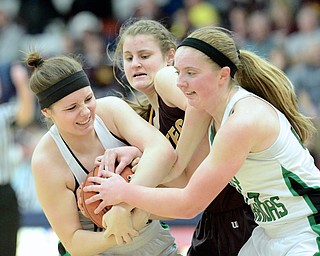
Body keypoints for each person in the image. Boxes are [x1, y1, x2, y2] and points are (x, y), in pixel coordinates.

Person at [84, 25, 320, 255]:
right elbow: (176, 168)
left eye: (191, 73)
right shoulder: (200, 109)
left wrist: (124, 193)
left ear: (223, 75)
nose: (180, 82)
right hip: (269, 232)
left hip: (307, 228)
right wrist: (138, 155)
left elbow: (189, 204)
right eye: (179, 72)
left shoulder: (242, 122)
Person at [106, 18, 256, 255]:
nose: (135, 64)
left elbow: (200, 106)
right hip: (212, 214)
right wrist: (126, 210)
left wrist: (176, 163)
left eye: (144, 56)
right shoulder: (148, 122)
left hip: (244, 208)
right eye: (128, 58)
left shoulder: (166, 79)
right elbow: (184, 192)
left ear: (169, 57)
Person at [26, 51, 180, 256]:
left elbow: (163, 151)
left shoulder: (110, 110)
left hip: (154, 242)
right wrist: (118, 230)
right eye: (71, 108)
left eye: (88, 98)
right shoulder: (46, 160)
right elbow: (73, 241)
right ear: (47, 112)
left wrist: (122, 206)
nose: (85, 111)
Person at [0, 62, 34, 256]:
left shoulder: (3, 114)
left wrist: (22, 83)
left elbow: (25, 114)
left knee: (7, 249)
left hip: (4, 193)